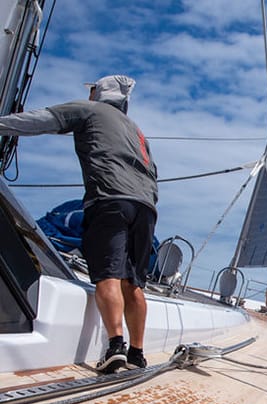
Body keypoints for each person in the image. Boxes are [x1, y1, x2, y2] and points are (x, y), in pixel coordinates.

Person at [0, 75, 158, 373]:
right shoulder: (137, 133)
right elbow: (154, 174)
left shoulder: (89, 111)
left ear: (98, 94)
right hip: (146, 208)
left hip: (110, 200)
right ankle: (137, 353)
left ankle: (115, 346)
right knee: (134, 283)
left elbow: (40, 120)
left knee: (107, 275)